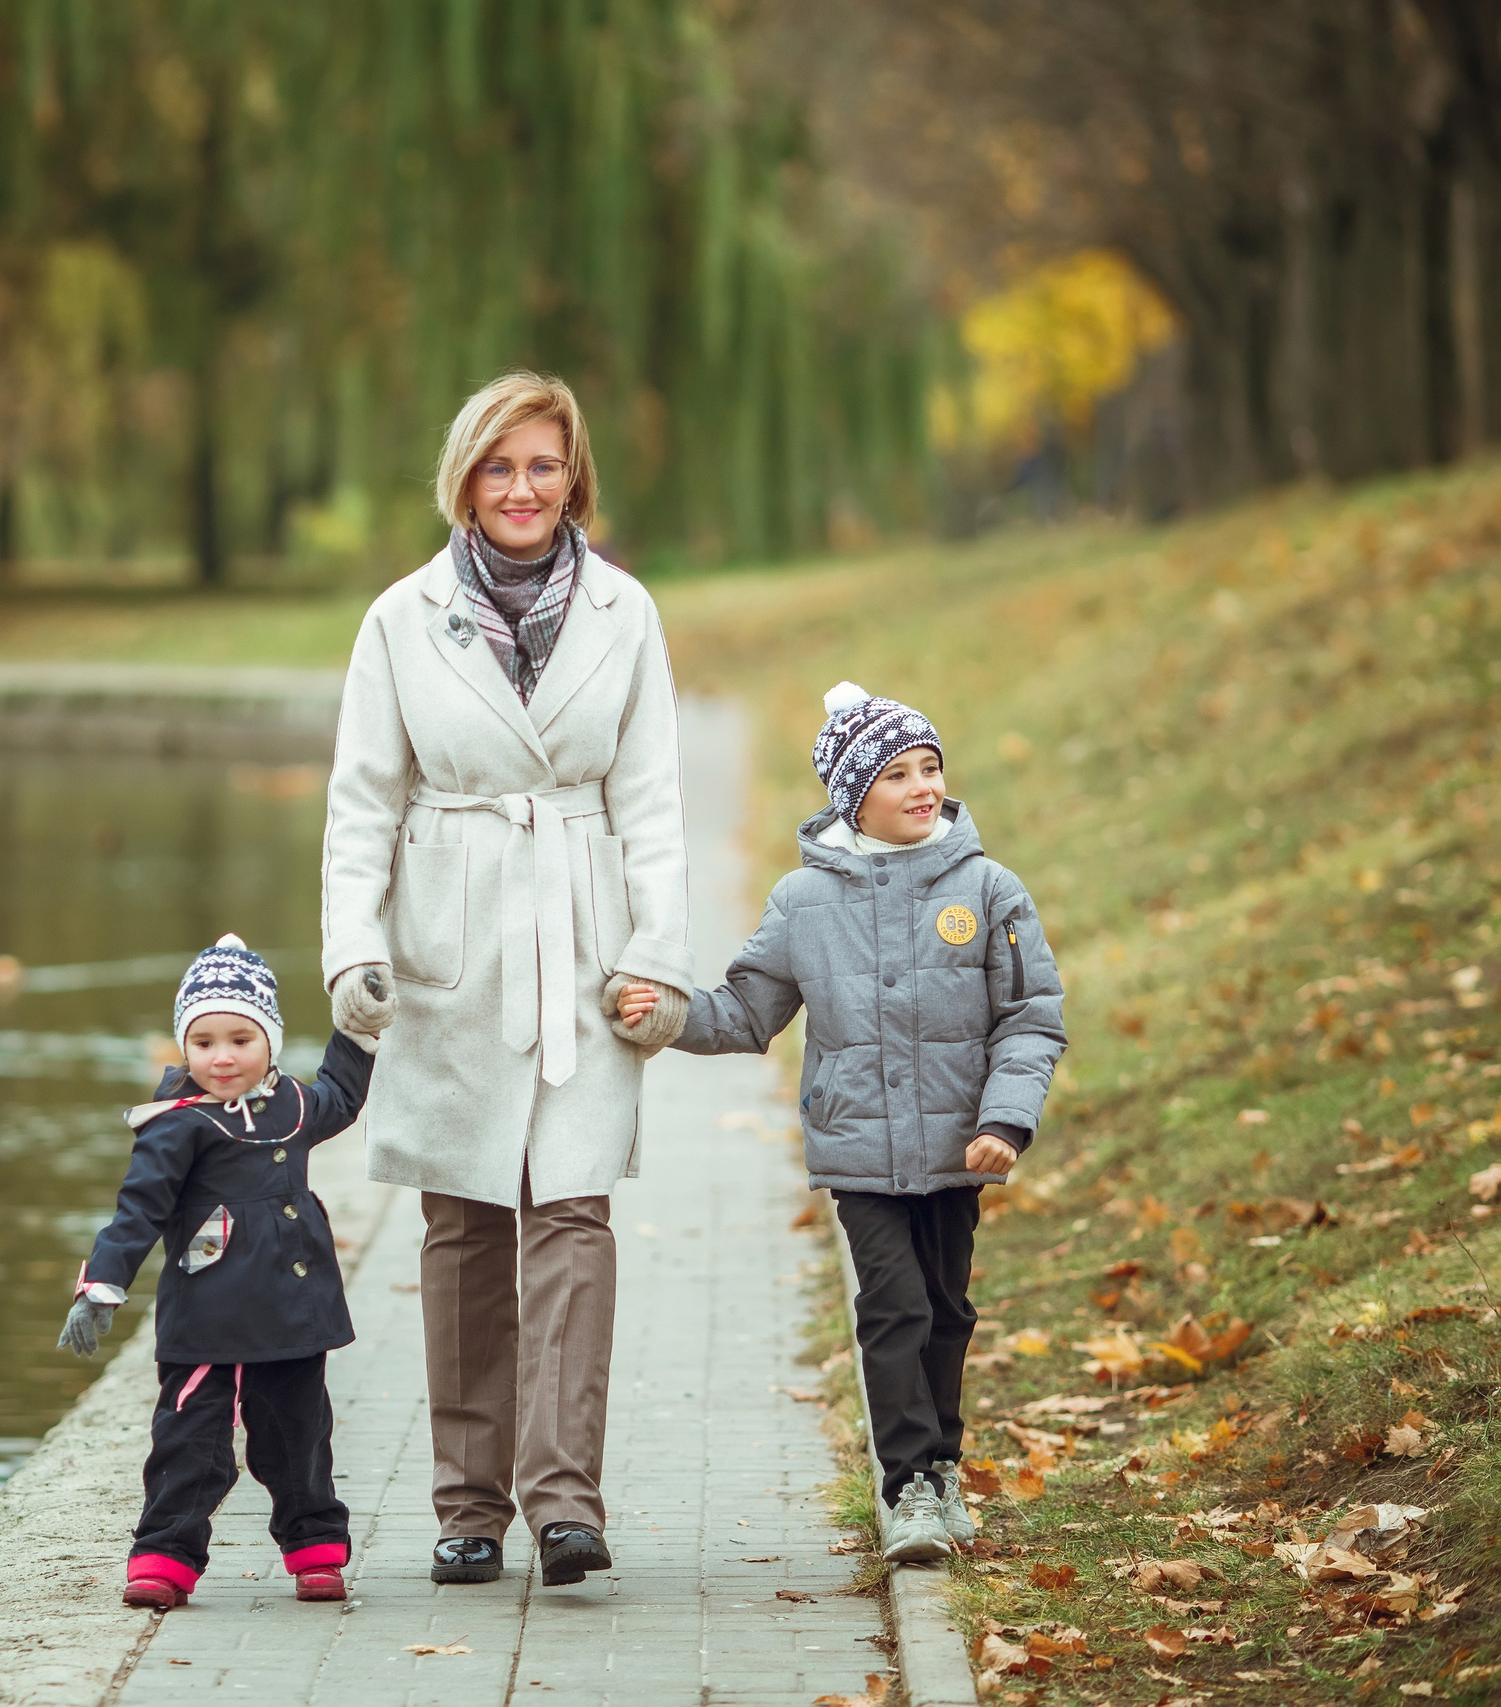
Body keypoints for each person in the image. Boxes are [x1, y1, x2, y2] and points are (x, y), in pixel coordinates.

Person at [319, 372, 692, 1588]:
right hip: (453, 932)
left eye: (540, 466)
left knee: (572, 1209)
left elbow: (651, 803)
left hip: (580, 935)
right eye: (497, 467)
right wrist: (352, 948)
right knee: (464, 1221)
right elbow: (362, 802)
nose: (520, 489)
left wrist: (653, 954)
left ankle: (564, 1500)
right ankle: (467, 1507)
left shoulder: (626, 612)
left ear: (571, 477)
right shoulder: (400, 618)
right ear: (463, 482)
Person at [631, 681, 1067, 1561]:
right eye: (897, 771)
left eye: (931, 766)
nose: (922, 785)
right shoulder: (804, 901)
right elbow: (748, 1010)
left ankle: (942, 1465)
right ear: (852, 793)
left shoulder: (988, 889)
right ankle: (906, 1485)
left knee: (946, 1308)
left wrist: (1007, 1121)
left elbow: (1029, 1016)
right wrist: (667, 1016)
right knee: (893, 1305)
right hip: (859, 1148)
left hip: (958, 1146)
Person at [58, 935, 376, 1608]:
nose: (222, 1056)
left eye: (240, 1037)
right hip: (208, 1316)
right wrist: (101, 1285)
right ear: (185, 1046)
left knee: (297, 1436)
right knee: (189, 1441)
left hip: (292, 1313)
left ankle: (315, 1546)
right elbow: (138, 1209)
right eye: (203, 1042)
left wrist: (358, 1026)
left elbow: (343, 1096)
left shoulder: (291, 1104)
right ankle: (165, 1556)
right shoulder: (176, 1125)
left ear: (270, 1038)